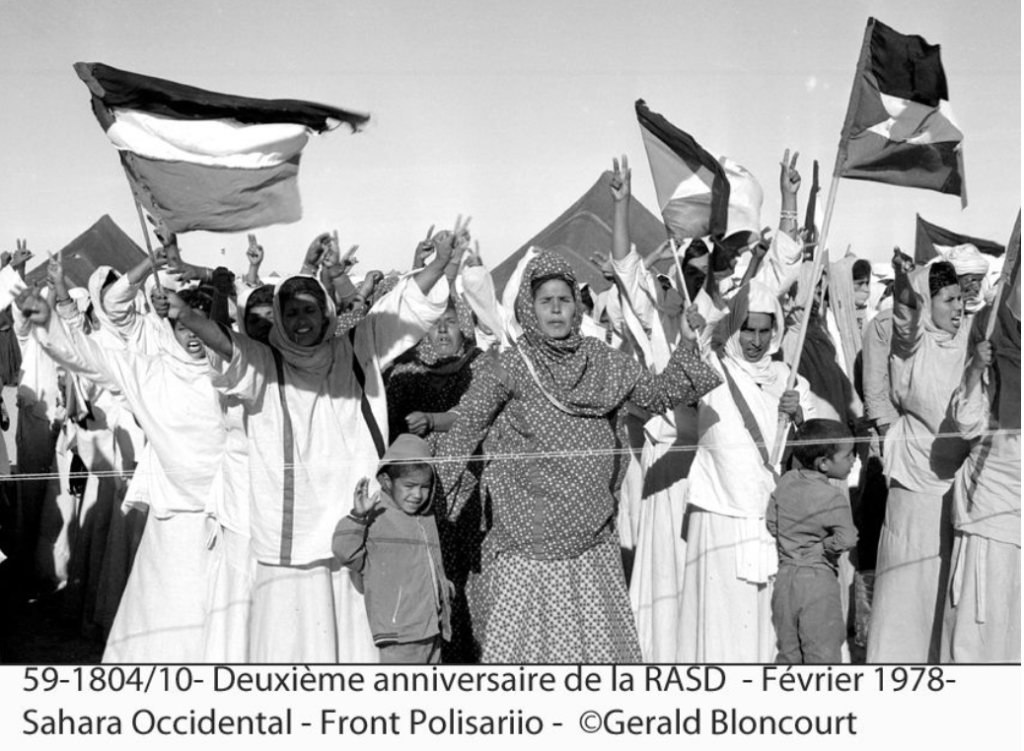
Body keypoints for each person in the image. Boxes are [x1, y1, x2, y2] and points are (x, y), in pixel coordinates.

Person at [172, 232, 453, 662]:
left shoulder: (357, 347)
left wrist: (439, 264)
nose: (301, 320)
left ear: (326, 312)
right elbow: (226, 343)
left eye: (309, 309)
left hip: (353, 513)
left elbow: (403, 307)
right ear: (279, 319)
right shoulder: (264, 361)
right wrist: (187, 316)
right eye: (291, 312)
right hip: (292, 527)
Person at [436, 250, 721, 663]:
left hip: (592, 540)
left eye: (564, 300)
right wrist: (431, 497)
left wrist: (690, 344)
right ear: (528, 308)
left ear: (576, 307)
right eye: (545, 300)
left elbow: (657, 395)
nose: (555, 309)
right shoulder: (509, 367)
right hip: (528, 544)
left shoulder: (603, 360)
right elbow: (466, 428)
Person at [17, 285, 225, 662]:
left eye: (200, 324)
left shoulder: (237, 373)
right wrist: (48, 322)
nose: (192, 336)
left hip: (227, 521)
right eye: (182, 326)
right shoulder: (151, 371)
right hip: (171, 520)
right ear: (170, 328)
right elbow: (92, 357)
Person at [676, 280, 813, 663]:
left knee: (766, 620)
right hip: (719, 510)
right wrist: (687, 340)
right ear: (734, 328)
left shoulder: (789, 377)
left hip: (770, 514)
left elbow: (816, 447)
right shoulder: (713, 367)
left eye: (764, 330)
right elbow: (678, 387)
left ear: (776, 331)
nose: (755, 340)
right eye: (747, 329)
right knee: (722, 620)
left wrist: (798, 416)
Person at [867, 259, 969, 663]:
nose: (958, 308)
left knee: (945, 583)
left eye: (960, 298)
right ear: (928, 303)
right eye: (948, 300)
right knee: (909, 583)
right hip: (914, 482)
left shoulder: (969, 341)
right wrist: (903, 280)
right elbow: (906, 317)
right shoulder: (912, 346)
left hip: (958, 483)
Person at [941, 286, 1020, 663]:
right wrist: (975, 368)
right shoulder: (988, 358)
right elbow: (966, 423)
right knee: (980, 619)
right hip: (990, 506)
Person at [333, 434, 451, 664]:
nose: (417, 495)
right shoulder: (378, 517)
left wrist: (444, 590)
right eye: (409, 486)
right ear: (387, 482)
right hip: (400, 634)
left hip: (432, 628)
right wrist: (358, 517)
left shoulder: (426, 518)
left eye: (425, 487)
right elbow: (345, 552)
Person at [767, 419, 858, 664]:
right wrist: (822, 547)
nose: (853, 460)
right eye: (848, 455)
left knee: (788, 653)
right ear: (824, 463)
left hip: (785, 579)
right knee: (823, 655)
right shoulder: (832, 497)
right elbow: (847, 538)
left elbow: (772, 522)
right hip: (818, 581)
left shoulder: (786, 482)